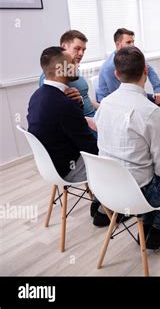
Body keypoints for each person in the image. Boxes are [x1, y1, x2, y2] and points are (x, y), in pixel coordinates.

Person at [95, 46, 160, 249]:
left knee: (147, 172)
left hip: (106, 190)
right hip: (139, 195)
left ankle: (149, 227)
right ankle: (157, 231)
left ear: (116, 74)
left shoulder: (104, 104)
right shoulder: (151, 112)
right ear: (146, 72)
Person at [28, 47, 109, 226]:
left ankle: (100, 201)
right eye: (72, 63)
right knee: (116, 158)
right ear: (60, 69)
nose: (76, 66)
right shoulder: (63, 104)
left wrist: (78, 104)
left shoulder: (37, 96)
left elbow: (67, 126)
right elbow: (90, 147)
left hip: (49, 166)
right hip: (68, 168)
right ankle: (106, 212)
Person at [96, 28, 160, 110]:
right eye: (128, 42)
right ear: (118, 45)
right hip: (110, 102)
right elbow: (118, 94)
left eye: (133, 41)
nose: (132, 45)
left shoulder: (132, 55)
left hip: (127, 94)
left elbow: (149, 70)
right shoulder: (109, 67)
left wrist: (157, 90)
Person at [39, 30, 97, 118]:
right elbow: (57, 112)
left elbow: (85, 97)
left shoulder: (73, 68)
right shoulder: (52, 76)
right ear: (64, 46)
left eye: (83, 50)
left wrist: (101, 108)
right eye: (77, 48)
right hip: (81, 124)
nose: (81, 53)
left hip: (94, 117)